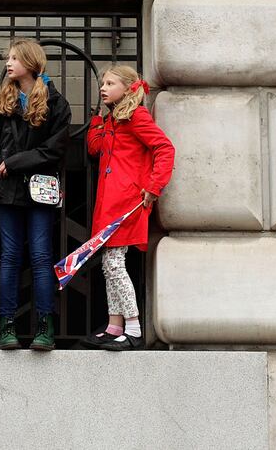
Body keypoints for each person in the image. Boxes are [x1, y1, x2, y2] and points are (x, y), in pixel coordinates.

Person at [0, 39, 72, 351]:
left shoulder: (55, 102)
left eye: (15, 58)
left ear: (31, 62)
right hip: (7, 191)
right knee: (10, 257)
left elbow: (55, 150)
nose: (9, 63)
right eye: (8, 58)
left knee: (41, 256)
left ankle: (44, 328)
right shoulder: (3, 99)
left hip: (40, 190)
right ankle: (8, 327)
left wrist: (15, 162)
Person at [82, 65, 175, 351]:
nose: (103, 88)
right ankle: (114, 325)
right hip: (109, 202)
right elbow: (95, 148)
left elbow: (165, 148)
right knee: (109, 266)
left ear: (127, 87)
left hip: (127, 202)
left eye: (110, 83)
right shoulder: (114, 119)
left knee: (114, 264)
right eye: (103, 83)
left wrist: (154, 186)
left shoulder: (136, 116)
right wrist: (98, 118)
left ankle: (133, 327)